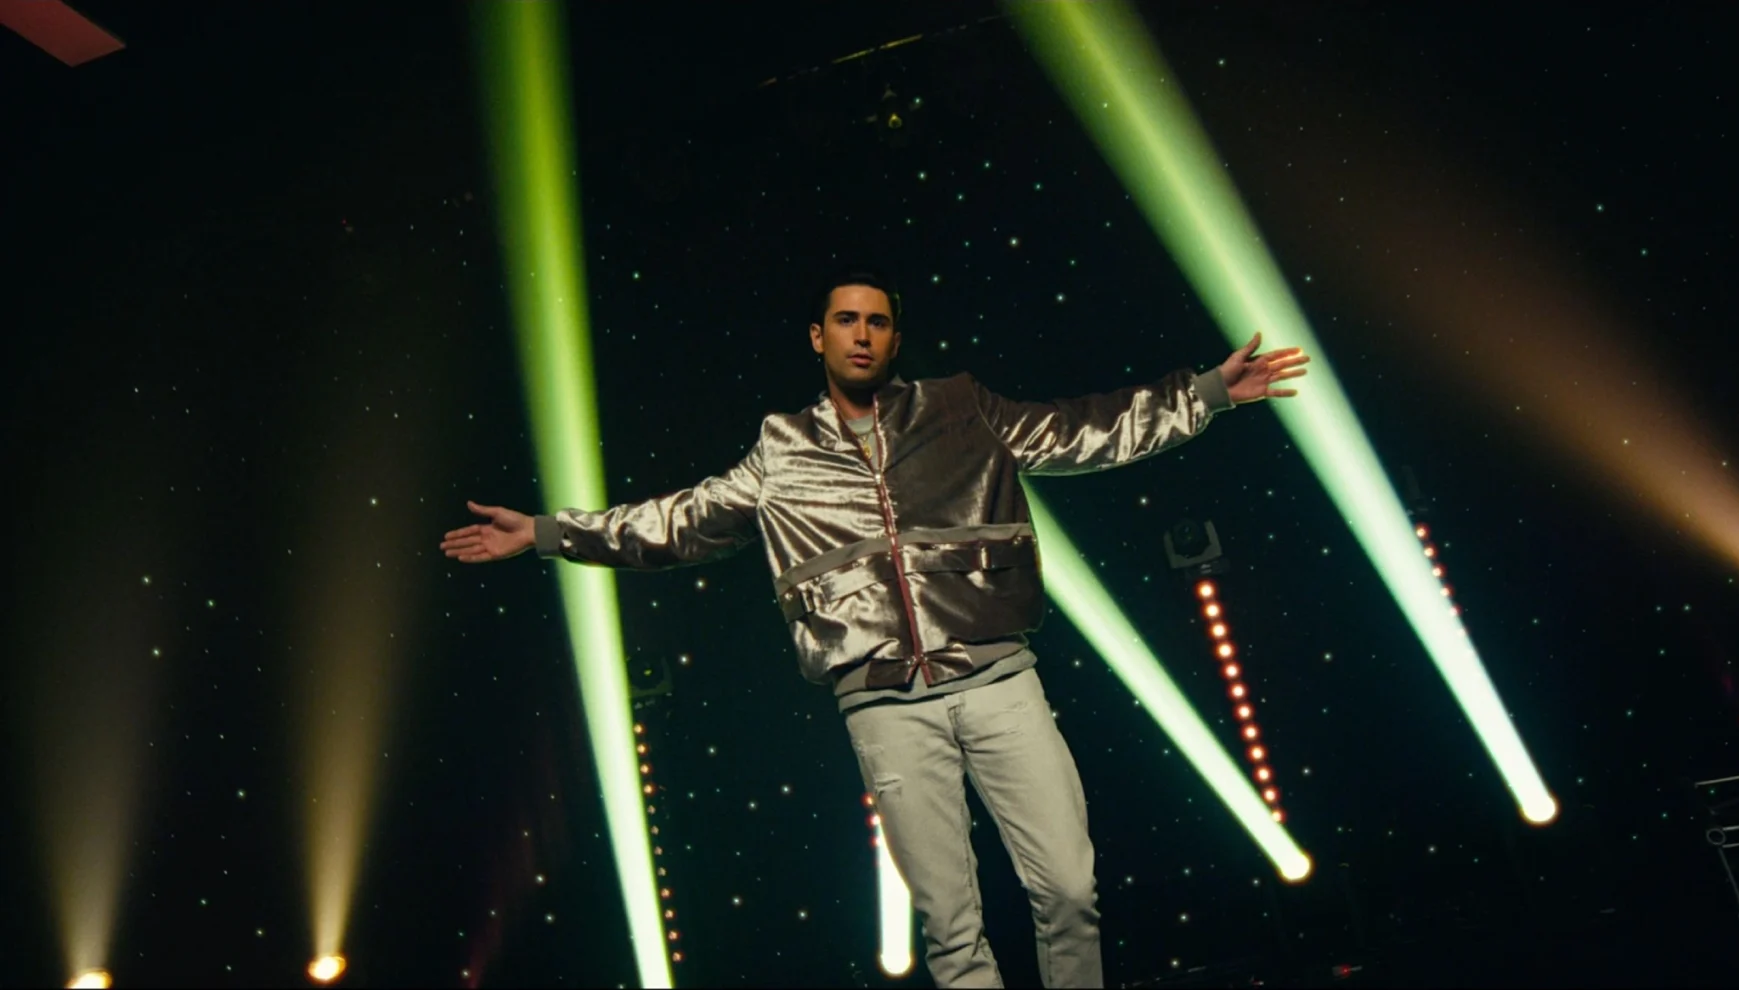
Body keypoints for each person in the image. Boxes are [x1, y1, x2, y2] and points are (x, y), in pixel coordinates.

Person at [439, 268, 1309, 988]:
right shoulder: (780, 449)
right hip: (885, 709)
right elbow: (677, 521)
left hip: (1000, 680)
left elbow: (1086, 430)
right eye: (845, 321)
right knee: (952, 926)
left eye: (878, 322)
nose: (862, 334)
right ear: (817, 338)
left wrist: (1205, 395)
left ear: (896, 339)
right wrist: (547, 532)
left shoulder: (962, 409)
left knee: (1072, 889)